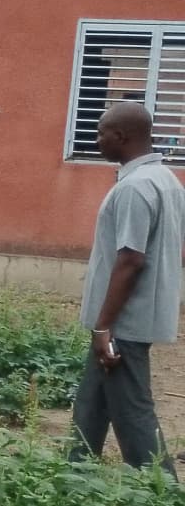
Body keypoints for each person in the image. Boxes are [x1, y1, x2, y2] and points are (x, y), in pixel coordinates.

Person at [70, 101, 183, 478]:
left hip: (123, 323)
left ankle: (161, 493)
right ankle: (72, 477)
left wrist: (104, 326)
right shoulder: (165, 180)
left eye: (101, 132)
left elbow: (131, 259)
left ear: (121, 136)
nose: (96, 139)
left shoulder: (136, 187)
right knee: (91, 404)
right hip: (126, 318)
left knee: (134, 412)